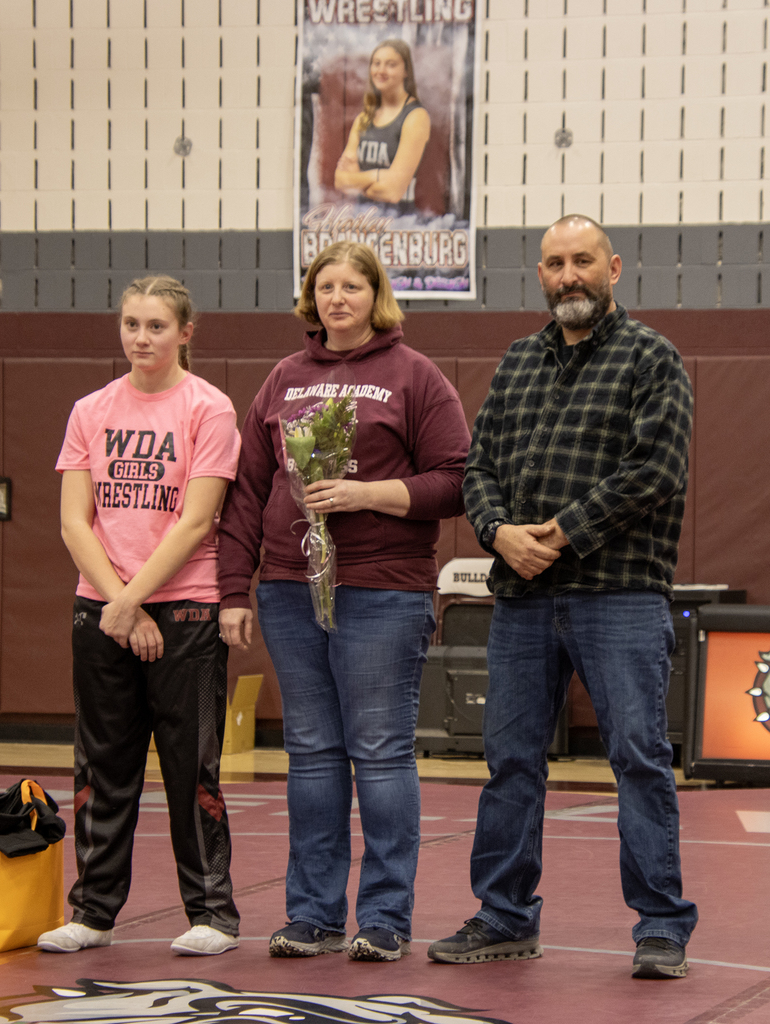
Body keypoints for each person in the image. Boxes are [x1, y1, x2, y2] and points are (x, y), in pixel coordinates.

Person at [428, 216, 698, 979]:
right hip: (520, 600)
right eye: (554, 263)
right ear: (539, 274)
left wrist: (559, 532)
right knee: (510, 761)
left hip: (619, 597)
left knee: (637, 759)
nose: (568, 275)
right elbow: (477, 468)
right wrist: (498, 531)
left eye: (582, 261)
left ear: (612, 268)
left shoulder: (652, 357)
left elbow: (655, 470)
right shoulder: (518, 362)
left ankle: (660, 926)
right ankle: (504, 916)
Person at [217, 241, 469, 962]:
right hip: (290, 592)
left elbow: (454, 480)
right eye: (324, 286)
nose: (337, 298)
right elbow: (246, 493)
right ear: (310, 297)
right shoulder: (284, 379)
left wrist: (366, 495)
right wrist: (234, 587)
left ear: (375, 295)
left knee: (381, 753)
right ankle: (313, 915)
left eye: (351, 286)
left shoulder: (414, 377)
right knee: (312, 755)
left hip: (382, 591)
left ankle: (384, 918)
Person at [40, 276, 242, 957]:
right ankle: (93, 911)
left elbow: (196, 522)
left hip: (183, 608)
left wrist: (133, 603)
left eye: (156, 326)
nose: (141, 338)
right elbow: (74, 522)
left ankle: (211, 912)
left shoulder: (208, 410)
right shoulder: (90, 409)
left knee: (191, 765)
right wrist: (117, 604)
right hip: (101, 610)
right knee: (102, 761)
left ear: (185, 332)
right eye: (131, 324)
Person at [334, 39, 431, 211]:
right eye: (376, 64)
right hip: (364, 220)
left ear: (406, 71)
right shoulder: (364, 119)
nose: (381, 71)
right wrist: (376, 175)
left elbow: (393, 192)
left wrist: (357, 181)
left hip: (402, 223)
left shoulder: (416, 117)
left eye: (391, 65)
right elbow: (340, 181)